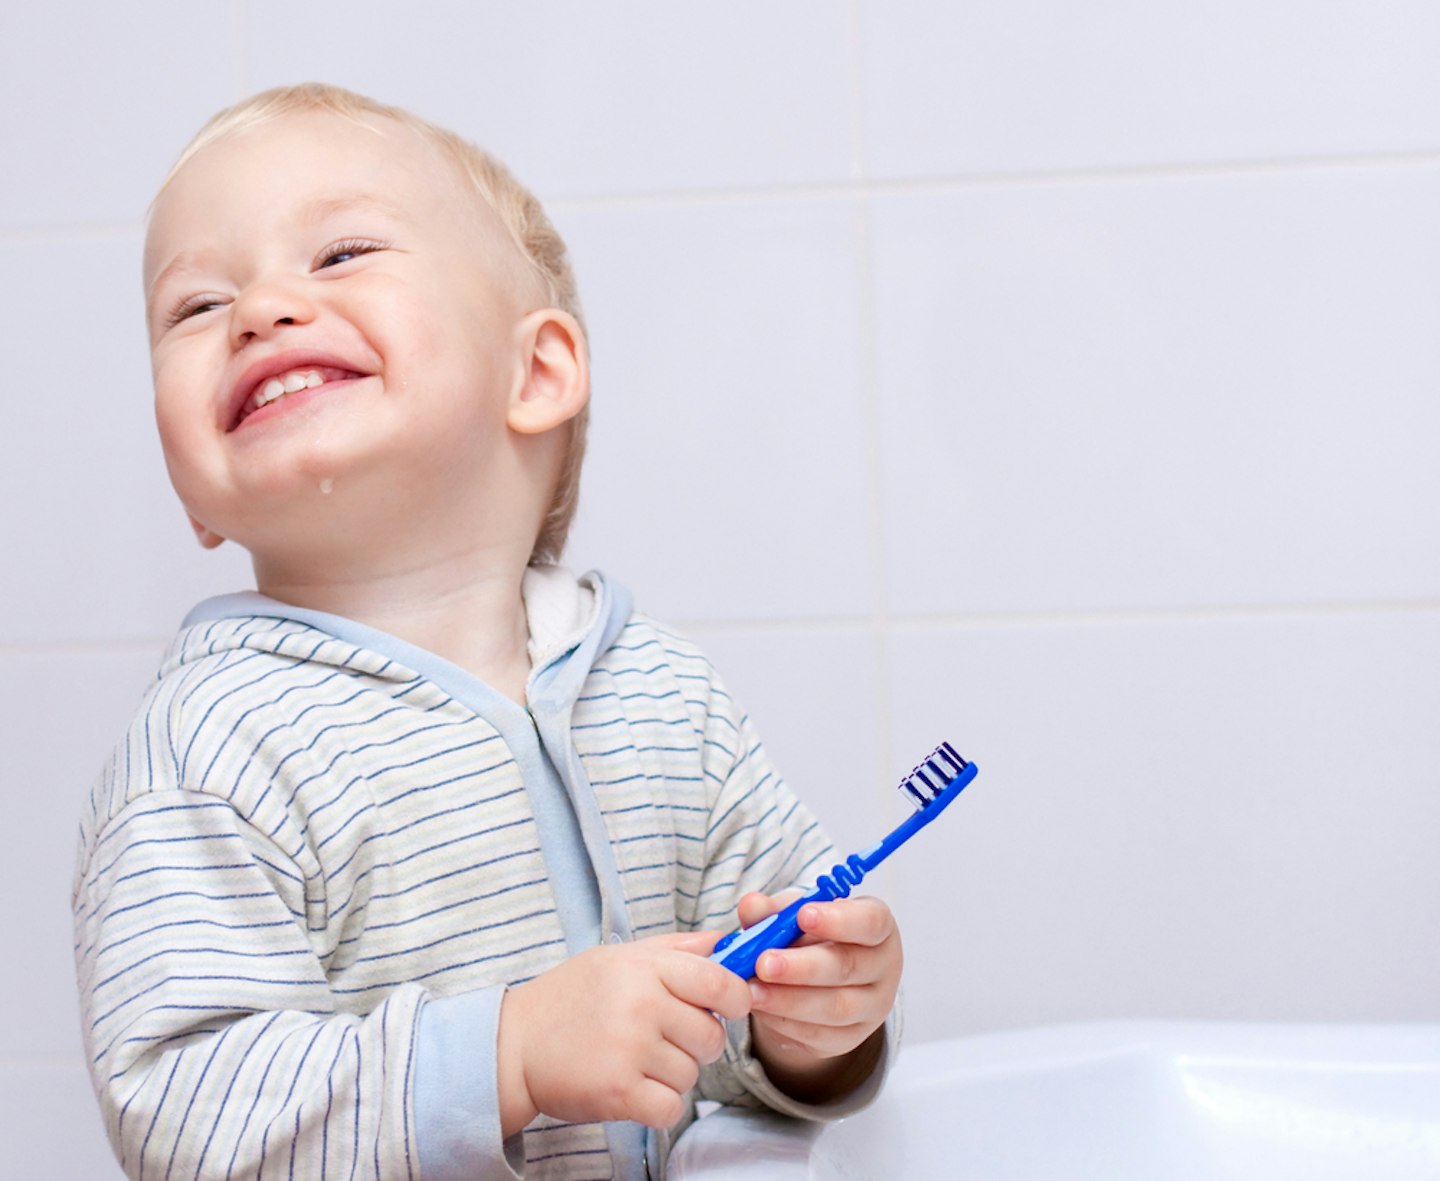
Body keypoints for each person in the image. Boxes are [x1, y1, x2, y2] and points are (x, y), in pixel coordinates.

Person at [72, 82, 902, 1181]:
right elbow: (186, 1112)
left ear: (536, 370)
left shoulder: (661, 693)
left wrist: (813, 1030)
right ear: (196, 495)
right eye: (194, 307)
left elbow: (744, 1034)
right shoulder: (207, 751)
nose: (261, 307)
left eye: (341, 252)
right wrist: (509, 1052)